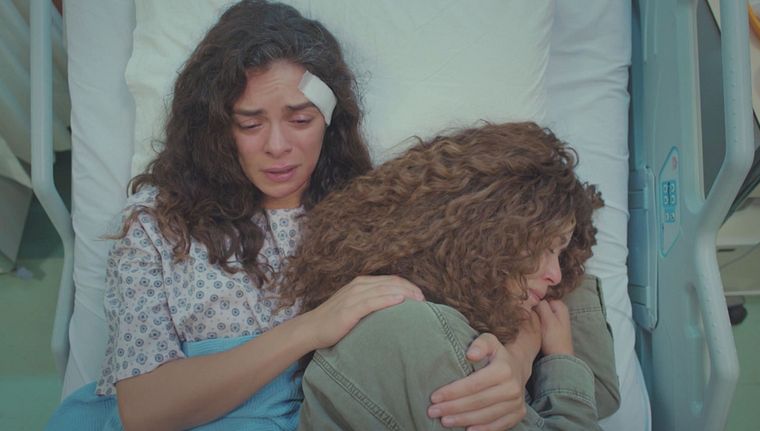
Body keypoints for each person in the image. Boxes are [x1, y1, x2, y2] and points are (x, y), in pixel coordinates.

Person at [46, 1, 534, 430]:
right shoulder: (158, 226)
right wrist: (309, 329)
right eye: (250, 124)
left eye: (301, 119)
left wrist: (517, 362)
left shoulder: (373, 211)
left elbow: (536, 290)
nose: (278, 146)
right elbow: (143, 409)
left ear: (329, 120)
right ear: (217, 128)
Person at [278, 122, 621, 430]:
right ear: (487, 235)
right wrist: (559, 358)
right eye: (544, 247)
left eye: (560, 253)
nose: (556, 275)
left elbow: (603, 396)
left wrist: (523, 352)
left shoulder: (429, 319)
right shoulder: (418, 333)